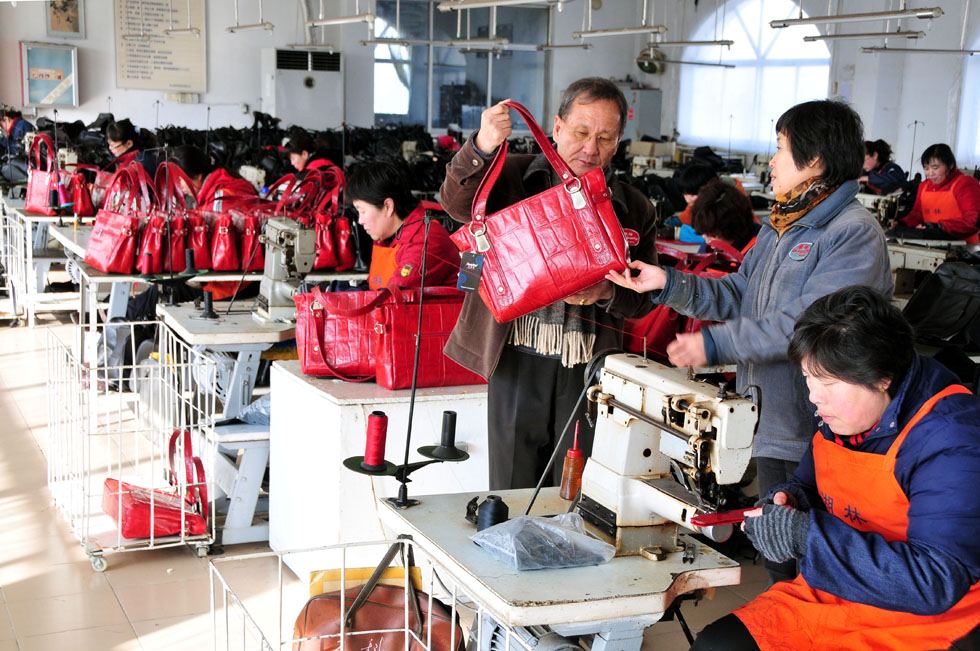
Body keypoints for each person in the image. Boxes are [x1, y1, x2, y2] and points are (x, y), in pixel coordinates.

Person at [607, 99, 893, 583]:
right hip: (772, 420)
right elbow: (739, 294)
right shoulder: (781, 228)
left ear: (815, 160)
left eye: (781, 148)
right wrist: (668, 284)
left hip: (823, 428)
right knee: (780, 558)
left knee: (818, 567)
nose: (773, 161)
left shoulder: (852, 234)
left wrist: (716, 346)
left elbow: (808, 326)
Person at [692, 286, 980, 651]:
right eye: (809, 378)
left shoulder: (952, 439)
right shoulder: (845, 413)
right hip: (839, 589)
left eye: (827, 382)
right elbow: (809, 484)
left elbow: (934, 582)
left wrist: (804, 537)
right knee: (718, 646)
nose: (814, 396)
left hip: (926, 620)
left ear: (882, 377)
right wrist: (788, 502)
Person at [440, 77, 658, 490]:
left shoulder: (632, 206)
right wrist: (483, 145)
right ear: (556, 128)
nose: (591, 148)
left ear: (617, 144)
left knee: (574, 489)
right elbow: (454, 202)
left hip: (589, 367)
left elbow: (645, 300)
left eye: (605, 138)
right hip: (516, 356)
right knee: (511, 485)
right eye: (580, 133)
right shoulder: (510, 177)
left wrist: (607, 292)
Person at [347, 161, 458, 290]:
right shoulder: (387, 238)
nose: (360, 220)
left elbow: (392, 296)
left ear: (388, 206)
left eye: (362, 211)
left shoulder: (425, 240)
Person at [893, 143, 980, 244]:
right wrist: (900, 223)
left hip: (964, 248)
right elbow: (917, 214)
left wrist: (939, 227)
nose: (930, 173)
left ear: (950, 165)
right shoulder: (924, 186)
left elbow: (973, 221)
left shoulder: (964, 184)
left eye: (935, 168)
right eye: (926, 168)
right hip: (932, 244)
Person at [169, 144, 258, 211]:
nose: (179, 186)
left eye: (180, 179)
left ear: (198, 176)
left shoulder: (219, 200)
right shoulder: (218, 182)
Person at [690, 177, 760, 256]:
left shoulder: (760, 249)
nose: (707, 241)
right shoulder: (710, 245)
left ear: (732, 227)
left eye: (713, 236)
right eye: (703, 233)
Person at [673, 161, 746, 227]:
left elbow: (714, 236)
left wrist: (679, 233)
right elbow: (689, 213)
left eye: (692, 195)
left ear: (709, 190)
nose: (688, 200)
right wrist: (679, 221)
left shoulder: (727, 206)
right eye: (684, 194)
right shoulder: (701, 198)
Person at [0, 108, 35, 184]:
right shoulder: (16, 128)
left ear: (6, 119)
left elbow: (17, 149)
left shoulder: (20, 127)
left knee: (6, 166)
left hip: (31, 164)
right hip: (29, 164)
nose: (2, 129)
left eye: (1, 125)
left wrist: (2, 139)